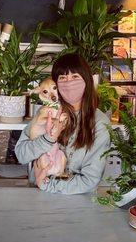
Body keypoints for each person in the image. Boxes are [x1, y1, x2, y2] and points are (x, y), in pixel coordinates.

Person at [15, 53, 110, 194]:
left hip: (75, 200)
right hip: (37, 196)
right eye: (62, 78)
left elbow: (90, 180)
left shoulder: (99, 123)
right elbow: (21, 154)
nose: (69, 83)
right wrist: (48, 139)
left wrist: (48, 185)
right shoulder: (47, 112)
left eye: (75, 77)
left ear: (87, 80)